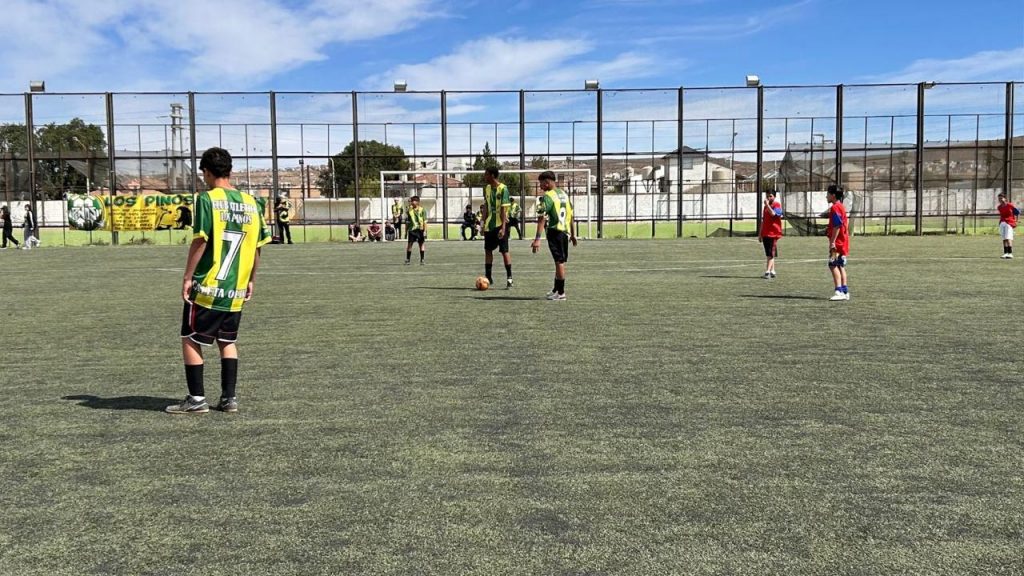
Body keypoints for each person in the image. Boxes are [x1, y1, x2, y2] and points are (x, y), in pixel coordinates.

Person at [168, 146, 270, 415]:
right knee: (227, 341)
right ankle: (229, 399)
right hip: (235, 288)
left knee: (190, 338)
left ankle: (197, 399)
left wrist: (188, 276)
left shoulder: (206, 200)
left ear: (206, 172)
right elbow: (258, 247)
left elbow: (200, 239)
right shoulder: (252, 203)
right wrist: (250, 279)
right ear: (230, 170)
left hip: (209, 286)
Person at [532, 171, 576, 300]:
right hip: (564, 232)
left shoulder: (547, 197)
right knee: (559, 261)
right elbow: (571, 215)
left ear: (547, 182)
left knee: (559, 262)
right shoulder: (564, 194)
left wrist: (537, 239)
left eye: (541, 184)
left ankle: (561, 293)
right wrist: (573, 234)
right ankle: (556, 289)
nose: (540, 187)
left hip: (555, 232)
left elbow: (541, 218)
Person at [481, 166, 513, 288]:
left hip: (501, 225)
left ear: (492, 175)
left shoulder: (503, 189)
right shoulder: (488, 188)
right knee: (488, 250)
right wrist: (482, 225)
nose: (485, 176)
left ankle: (509, 278)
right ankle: (488, 276)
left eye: (486, 174)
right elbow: (486, 208)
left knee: (504, 251)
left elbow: (504, 210)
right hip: (490, 225)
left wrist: (503, 228)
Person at [826, 184, 850, 301]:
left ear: (833, 195)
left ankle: (838, 290)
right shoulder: (841, 206)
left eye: (828, 194)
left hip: (838, 243)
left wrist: (833, 242)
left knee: (833, 265)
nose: (826, 196)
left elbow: (837, 225)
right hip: (843, 241)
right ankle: (845, 291)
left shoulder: (835, 207)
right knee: (840, 265)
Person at [758, 191, 784, 278]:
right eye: (767, 196)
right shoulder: (765, 208)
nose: (768, 198)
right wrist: (760, 233)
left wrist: (767, 205)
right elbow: (763, 220)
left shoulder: (777, 205)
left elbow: (773, 214)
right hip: (766, 233)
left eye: (770, 196)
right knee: (769, 253)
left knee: (770, 254)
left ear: (774, 197)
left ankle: (767, 272)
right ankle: (772, 271)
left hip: (773, 233)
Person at [405, 195, 427, 265]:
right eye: (411, 201)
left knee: (421, 244)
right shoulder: (409, 210)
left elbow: (425, 221)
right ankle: (408, 259)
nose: (412, 202)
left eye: (413, 201)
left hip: (420, 230)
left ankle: (422, 259)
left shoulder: (422, 210)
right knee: (409, 245)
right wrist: (406, 231)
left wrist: (425, 231)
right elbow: (408, 221)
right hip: (412, 230)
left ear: (417, 202)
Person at [997, 193, 1019, 259]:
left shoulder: (1010, 205)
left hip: (1009, 223)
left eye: (1001, 198)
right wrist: (1000, 222)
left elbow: (1017, 212)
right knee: (1004, 238)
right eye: (999, 198)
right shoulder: (999, 207)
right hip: (1002, 223)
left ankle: (1010, 253)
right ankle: (1005, 253)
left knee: (1008, 237)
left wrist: (1016, 220)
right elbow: (1001, 215)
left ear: (1005, 198)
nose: (1000, 199)